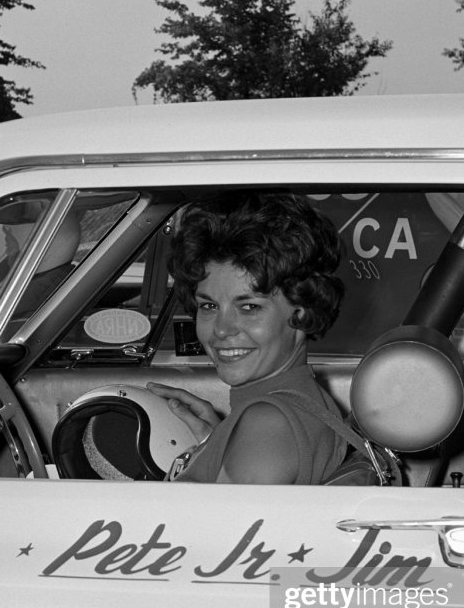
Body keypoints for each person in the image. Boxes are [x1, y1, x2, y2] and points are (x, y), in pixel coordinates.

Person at [148, 193, 365, 484]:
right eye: (209, 306)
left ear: (302, 312)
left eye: (249, 307)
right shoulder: (299, 403)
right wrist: (217, 443)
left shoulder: (268, 424)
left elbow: (219, 531)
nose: (222, 329)